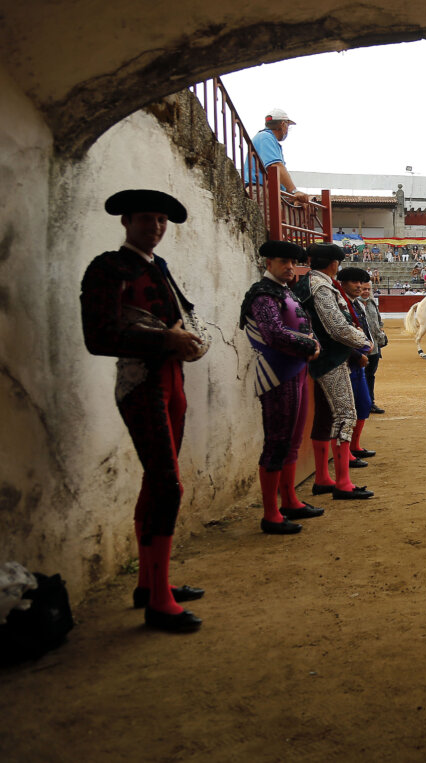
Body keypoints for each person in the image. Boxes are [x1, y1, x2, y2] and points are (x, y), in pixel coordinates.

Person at [80, 189, 208, 632]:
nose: (155, 227)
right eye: (146, 219)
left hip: (172, 379)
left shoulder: (160, 268)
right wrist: (165, 341)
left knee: (158, 481)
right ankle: (158, 600)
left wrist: (182, 342)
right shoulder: (107, 267)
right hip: (141, 382)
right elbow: (98, 337)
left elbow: (174, 322)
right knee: (167, 485)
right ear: (126, 221)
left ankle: (150, 584)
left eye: (161, 220)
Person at [238, 240, 324, 535]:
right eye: (282, 262)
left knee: (292, 439)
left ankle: (289, 500)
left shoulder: (283, 292)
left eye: (292, 262)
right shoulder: (262, 294)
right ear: (268, 264)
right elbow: (273, 334)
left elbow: (300, 325)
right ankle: (271, 513)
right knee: (277, 441)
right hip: (276, 373)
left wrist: (310, 341)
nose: (289, 267)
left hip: (295, 369)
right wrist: (310, 344)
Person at [294, 243, 374, 500]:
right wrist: (363, 341)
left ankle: (322, 477)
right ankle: (343, 482)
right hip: (331, 359)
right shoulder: (321, 286)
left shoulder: (308, 283)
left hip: (321, 356)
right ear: (333, 264)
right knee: (345, 415)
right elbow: (337, 327)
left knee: (326, 417)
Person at [335, 267, 378, 468]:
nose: (360, 286)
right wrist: (357, 353)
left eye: (362, 283)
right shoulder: (341, 305)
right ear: (342, 284)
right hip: (347, 361)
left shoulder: (357, 304)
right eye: (355, 282)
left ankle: (355, 446)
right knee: (349, 408)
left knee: (363, 403)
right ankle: (347, 451)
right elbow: (337, 335)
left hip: (359, 359)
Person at [248, 108, 310, 202]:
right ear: (283, 124)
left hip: (264, 190)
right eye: (288, 126)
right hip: (260, 190)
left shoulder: (266, 138)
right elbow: (276, 166)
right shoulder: (266, 137)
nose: (287, 130)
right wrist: (294, 191)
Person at [358, 280, 387, 414]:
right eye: (364, 289)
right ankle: (360, 404)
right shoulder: (352, 304)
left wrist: (381, 335)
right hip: (359, 347)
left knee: (370, 375)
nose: (367, 292)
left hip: (374, 347)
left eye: (369, 289)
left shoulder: (372, 302)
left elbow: (378, 321)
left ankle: (370, 403)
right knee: (360, 375)